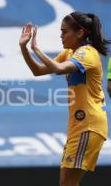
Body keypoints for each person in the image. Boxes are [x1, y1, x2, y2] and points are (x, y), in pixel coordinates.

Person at [19, 12, 110, 186]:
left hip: (89, 125)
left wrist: (36, 48)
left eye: (64, 31)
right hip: (78, 126)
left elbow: (59, 69)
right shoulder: (70, 52)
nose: (61, 36)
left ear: (80, 33)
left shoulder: (87, 53)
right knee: (66, 183)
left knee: (68, 183)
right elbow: (38, 71)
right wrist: (24, 47)